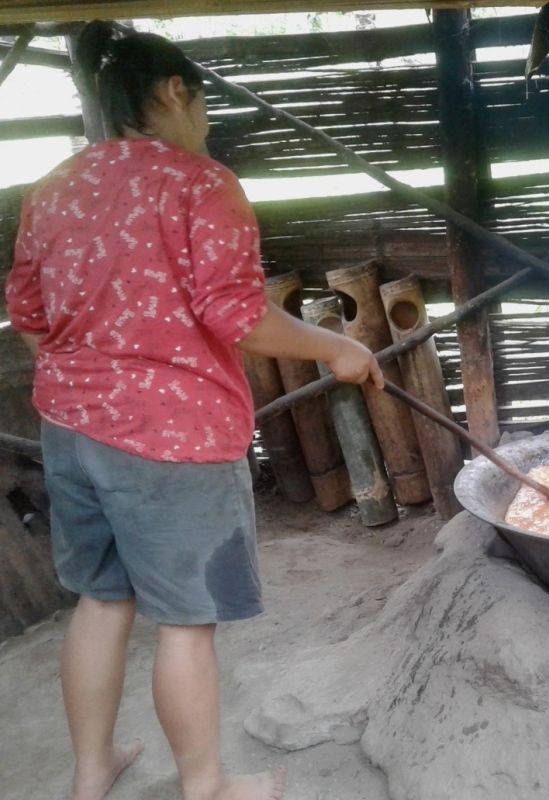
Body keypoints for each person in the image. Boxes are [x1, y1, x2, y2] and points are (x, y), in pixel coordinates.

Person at [4, 22, 382, 800]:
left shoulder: (55, 185)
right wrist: (337, 348)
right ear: (174, 92)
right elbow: (238, 315)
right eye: (202, 106)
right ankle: (206, 785)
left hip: (71, 428)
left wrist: (94, 367)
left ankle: (88, 775)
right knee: (185, 621)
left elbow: (29, 313)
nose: (204, 125)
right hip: (169, 440)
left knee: (102, 601)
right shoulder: (198, 182)